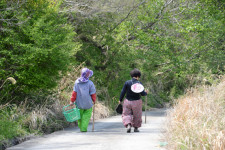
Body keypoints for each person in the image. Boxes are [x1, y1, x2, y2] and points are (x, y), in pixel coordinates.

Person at [119, 68, 148, 133]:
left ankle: (128, 124)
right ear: (138, 76)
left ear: (131, 75)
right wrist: (146, 92)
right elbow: (143, 94)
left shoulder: (127, 82)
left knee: (126, 114)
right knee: (137, 114)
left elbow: (123, 92)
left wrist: (120, 100)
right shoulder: (139, 83)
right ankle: (136, 128)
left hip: (127, 101)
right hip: (137, 102)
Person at [70, 68, 96, 132]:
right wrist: (94, 100)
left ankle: (81, 127)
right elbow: (93, 93)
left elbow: (74, 93)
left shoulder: (77, 82)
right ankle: (83, 129)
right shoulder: (90, 83)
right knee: (86, 117)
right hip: (88, 104)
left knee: (80, 118)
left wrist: (72, 101)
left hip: (79, 103)